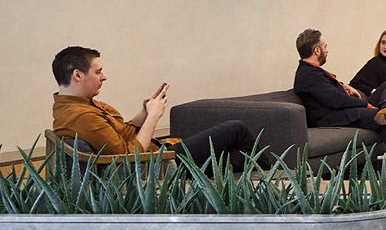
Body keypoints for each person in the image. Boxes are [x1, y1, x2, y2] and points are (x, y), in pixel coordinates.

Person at [50, 46, 261, 168]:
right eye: (98, 72)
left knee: (236, 154)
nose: (104, 77)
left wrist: (143, 113)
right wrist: (153, 117)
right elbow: (128, 155)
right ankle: (273, 180)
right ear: (77, 75)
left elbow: (122, 134)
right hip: (160, 164)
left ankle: (259, 175)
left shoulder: (80, 105)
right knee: (236, 129)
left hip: (161, 152)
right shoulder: (80, 116)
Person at [293, 28, 386, 155]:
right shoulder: (308, 74)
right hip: (335, 117)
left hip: (344, 110)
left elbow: (325, 89)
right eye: (325, 47)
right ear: (317, 50)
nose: (327, 51)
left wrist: (343, 85)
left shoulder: (311, 71)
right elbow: (335, 99)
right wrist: (365, 105)